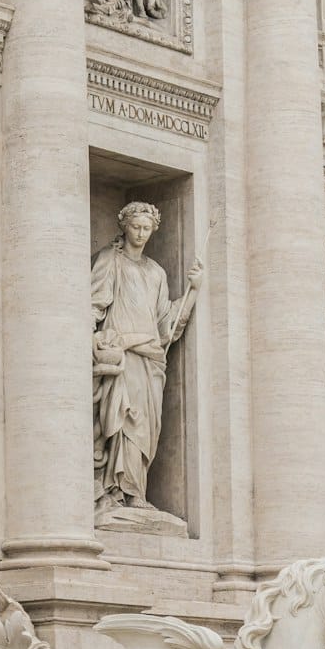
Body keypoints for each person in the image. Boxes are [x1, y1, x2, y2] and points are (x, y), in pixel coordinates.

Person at [91, 201, 202, 513]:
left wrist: (193, 291)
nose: (140, 234)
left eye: (146, 229)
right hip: (123, 353)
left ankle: (136, 490)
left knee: (145, 428)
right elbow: (94, 305)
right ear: (124, 226)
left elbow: (166, 322)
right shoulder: (109, 260)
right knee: (122, 419)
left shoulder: (156, 272)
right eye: (135, 227)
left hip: (150, 358)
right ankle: (114, 490)